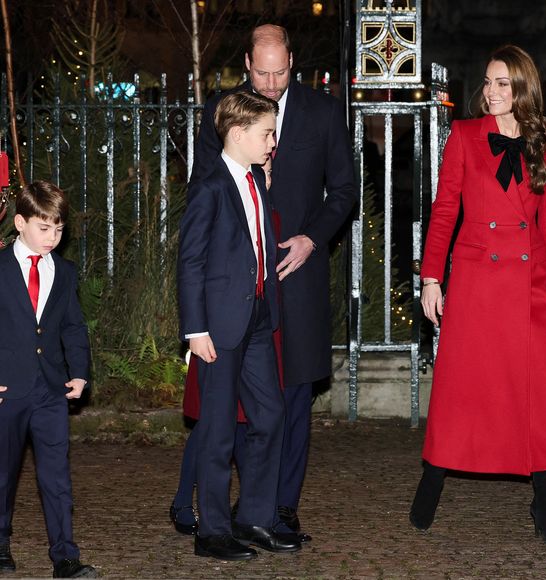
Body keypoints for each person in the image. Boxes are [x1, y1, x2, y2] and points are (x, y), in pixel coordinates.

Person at [183, 23, 357, 540]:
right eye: (263, 73)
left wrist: (311, 239)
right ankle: (237, 510)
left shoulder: (323, 112)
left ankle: (280, 510)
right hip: (239, 283)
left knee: (292, 399)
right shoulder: (224, 112)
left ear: (292, 62)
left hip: (295, 278)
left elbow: (344, 190)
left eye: (281, 71)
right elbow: (202, 187)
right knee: (236, 404)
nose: (273, 82)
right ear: (247, 64)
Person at [410, 45, 546, 543]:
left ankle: (544, 503)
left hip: (533, 286)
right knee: (461, 392)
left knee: (543, 395)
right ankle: (431, 484)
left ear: (523, 88)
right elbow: (444, 212)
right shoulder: (463, 136)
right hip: (479, 283)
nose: (491, 91)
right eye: (487, 82)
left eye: (502, 83)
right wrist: (432, 278)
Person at [178, 91, 301, 560]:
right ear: (238, 134)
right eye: (267, 133)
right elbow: (189, 262)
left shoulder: (255, 180)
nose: (274, 141)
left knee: (271, 416)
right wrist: (196, 330)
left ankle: (252, 517)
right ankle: (211, 532)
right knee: (217, 430)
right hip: (218, 327)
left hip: (255, 321)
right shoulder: (210, 187)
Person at [0, 181, 96, 577]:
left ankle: (65, 556)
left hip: (50, 390)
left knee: (55, 476)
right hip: (6, 389)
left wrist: (79, 372)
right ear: (20, 223)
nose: (52, 238)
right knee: (3, 474)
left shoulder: (65, 271)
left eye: (58, 229)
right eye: (44, 229)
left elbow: (73, 326)